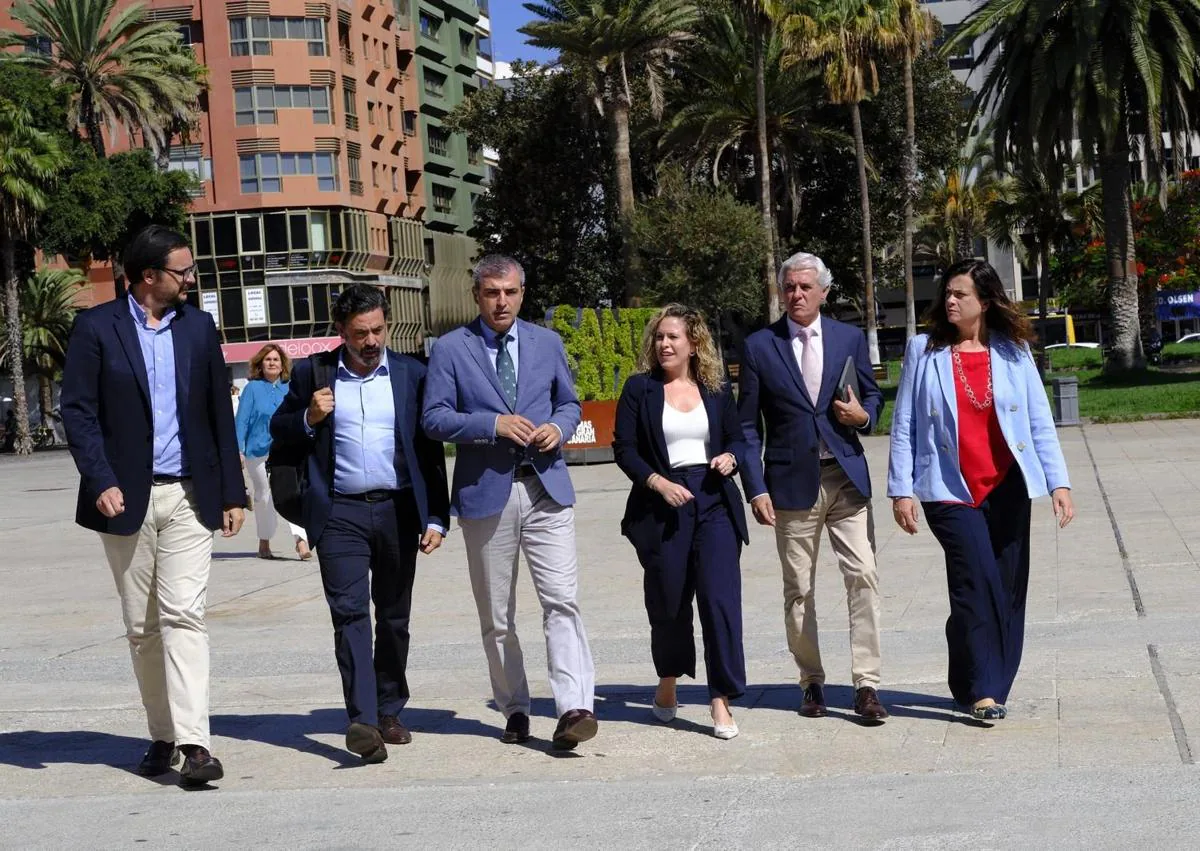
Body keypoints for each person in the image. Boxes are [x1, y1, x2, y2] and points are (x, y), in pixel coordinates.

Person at [60, 224, 245, 786]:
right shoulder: (96, 328)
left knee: (185, 614)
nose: (192, 278)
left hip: (191, 494)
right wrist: (100, 479)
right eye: (182, 270)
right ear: (148, 277)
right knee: (142, 628)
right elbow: (78, 412)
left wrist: (233, 492)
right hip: (123, 500)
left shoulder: (199, 328)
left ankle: (196, 745)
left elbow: (218, 412)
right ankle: (162, 734)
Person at [421, 254, 597, 751]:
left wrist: (559, 428)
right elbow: (433, 419)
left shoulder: (547, 342)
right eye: (493, 292)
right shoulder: (453, 349)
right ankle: (515, 707)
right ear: (477, 294)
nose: (502, 301)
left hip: (546, 488)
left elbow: (569, 402)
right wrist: (489, 425)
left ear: (523, 293)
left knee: (562, 601)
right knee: (497, 616)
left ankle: (574, 707)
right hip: (486, 494)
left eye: (511, 292)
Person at [887, 258, 1075, 720]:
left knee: (1007, 588)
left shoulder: (1014, 352)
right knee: (978, 581)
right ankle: (984, 692)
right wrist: (901, 489)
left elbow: (1038, 421)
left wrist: (1059, 482)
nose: (949, 301)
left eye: (960, 295)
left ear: (984, 302)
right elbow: (905, 424)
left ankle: (974, 672)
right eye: (947, 294)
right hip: (947, 489)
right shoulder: (923, 350)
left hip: (1007, 486)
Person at [270, 284, 449, 763]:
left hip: (398, 509)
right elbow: (280, 431)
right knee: (349, 613)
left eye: (377, 330)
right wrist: (308, 415)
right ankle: (363, 720)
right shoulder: (314, 372)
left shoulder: (412, 373)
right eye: (359, 333)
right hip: (339, 513)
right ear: (340, 332)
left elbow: (429, 450)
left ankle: (390, 709)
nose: (371, 341)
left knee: (393, 616)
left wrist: (437, 513)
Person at [738, 251, 889, 723]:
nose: (797, 295)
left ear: (824, 291)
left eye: (806, 287)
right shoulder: (760, 345)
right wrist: (756, 488)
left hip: (845, 477)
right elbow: (747, 426)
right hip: (790, 484)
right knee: (799, 588)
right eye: (789, 288)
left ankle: (866, 685)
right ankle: (812, 681)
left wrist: (863, 416)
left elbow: (872, 395)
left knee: (863, 575)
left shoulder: (847, 338)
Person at [612, 305, 751, 740]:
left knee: (719, 601)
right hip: (662, 503)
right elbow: (625, 448)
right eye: (659, 337)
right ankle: (668, 680)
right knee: (668, 601)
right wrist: (657, 482)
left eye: (673, 337)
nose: (665, 344)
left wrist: (731, 457)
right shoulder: (640, 390)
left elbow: (737, 438)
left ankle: (720, 699)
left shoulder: (715, 389)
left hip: (713, 499)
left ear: (694, 344)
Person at [235, 344, 312, 560]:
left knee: (289, 492)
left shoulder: (290, 388)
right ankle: (264, 541)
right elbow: (242, 421)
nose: (272, 363)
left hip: (285, 449)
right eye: (267, 359)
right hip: (257, 452)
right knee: (264, 495)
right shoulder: (252, 389)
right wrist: (238, 450)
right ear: (260, 364)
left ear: (282, 365)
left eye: (276, 359)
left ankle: (301, 541)